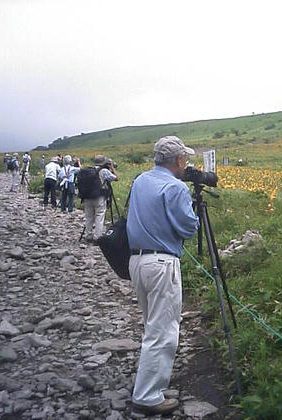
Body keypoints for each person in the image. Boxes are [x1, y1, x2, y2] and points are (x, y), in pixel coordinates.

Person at [126, 136, 199, 416]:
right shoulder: (175, 187)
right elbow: (188, 228)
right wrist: (194, 210)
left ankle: (149, 383)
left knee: (151, 324)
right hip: (162, 262)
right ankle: (147, 396)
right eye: (185, 158)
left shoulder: (141, 180)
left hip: (137, 261)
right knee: (163, 330)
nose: (187, 163)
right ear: (179, 159)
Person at [82, 155, 118, 242]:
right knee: (99, 215)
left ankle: (88, 235)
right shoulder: (104, 171)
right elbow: (116, 178)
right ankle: (97, 237)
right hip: (99, 196)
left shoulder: (88, 170)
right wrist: (112, 168)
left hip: (87, 196)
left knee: (89, 216)